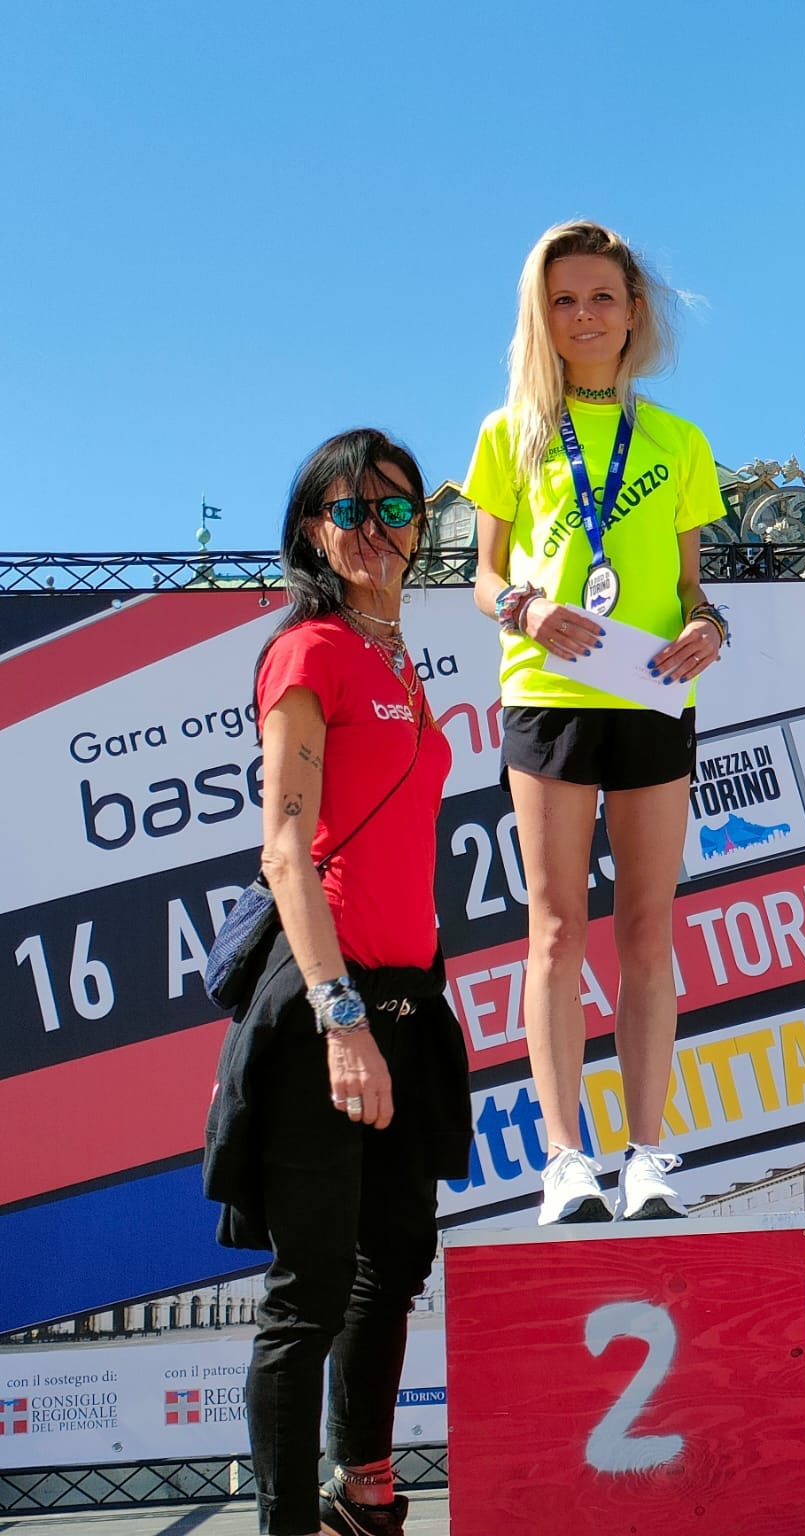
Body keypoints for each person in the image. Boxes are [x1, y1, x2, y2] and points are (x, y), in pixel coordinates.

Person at [203, 430, 470, 1536]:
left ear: (421, 525)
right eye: (349, 511)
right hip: (332, 1004)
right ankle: (286, 1524)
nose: (375, 530)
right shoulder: (308, 650)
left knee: (393, 1261)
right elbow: (286, 850)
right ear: (313, 530)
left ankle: (362, 1492)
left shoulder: (399, 658)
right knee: (308, 1286)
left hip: (407, 998)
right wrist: (340, 1018)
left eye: (395, 509)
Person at [466, 220, 729, 1223]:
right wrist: (524, 610)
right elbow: (484, 574)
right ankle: (565, 1158)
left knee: (649, 927)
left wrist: (708, 628)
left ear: (634, 312)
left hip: (653, 693)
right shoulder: (509, 433)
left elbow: (694, 590)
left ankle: (648, 1153)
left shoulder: (678, 441)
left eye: (602, 297)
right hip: (550, 693)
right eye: (564, 299)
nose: (584, 315)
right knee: (556, 927)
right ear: (541, 315)